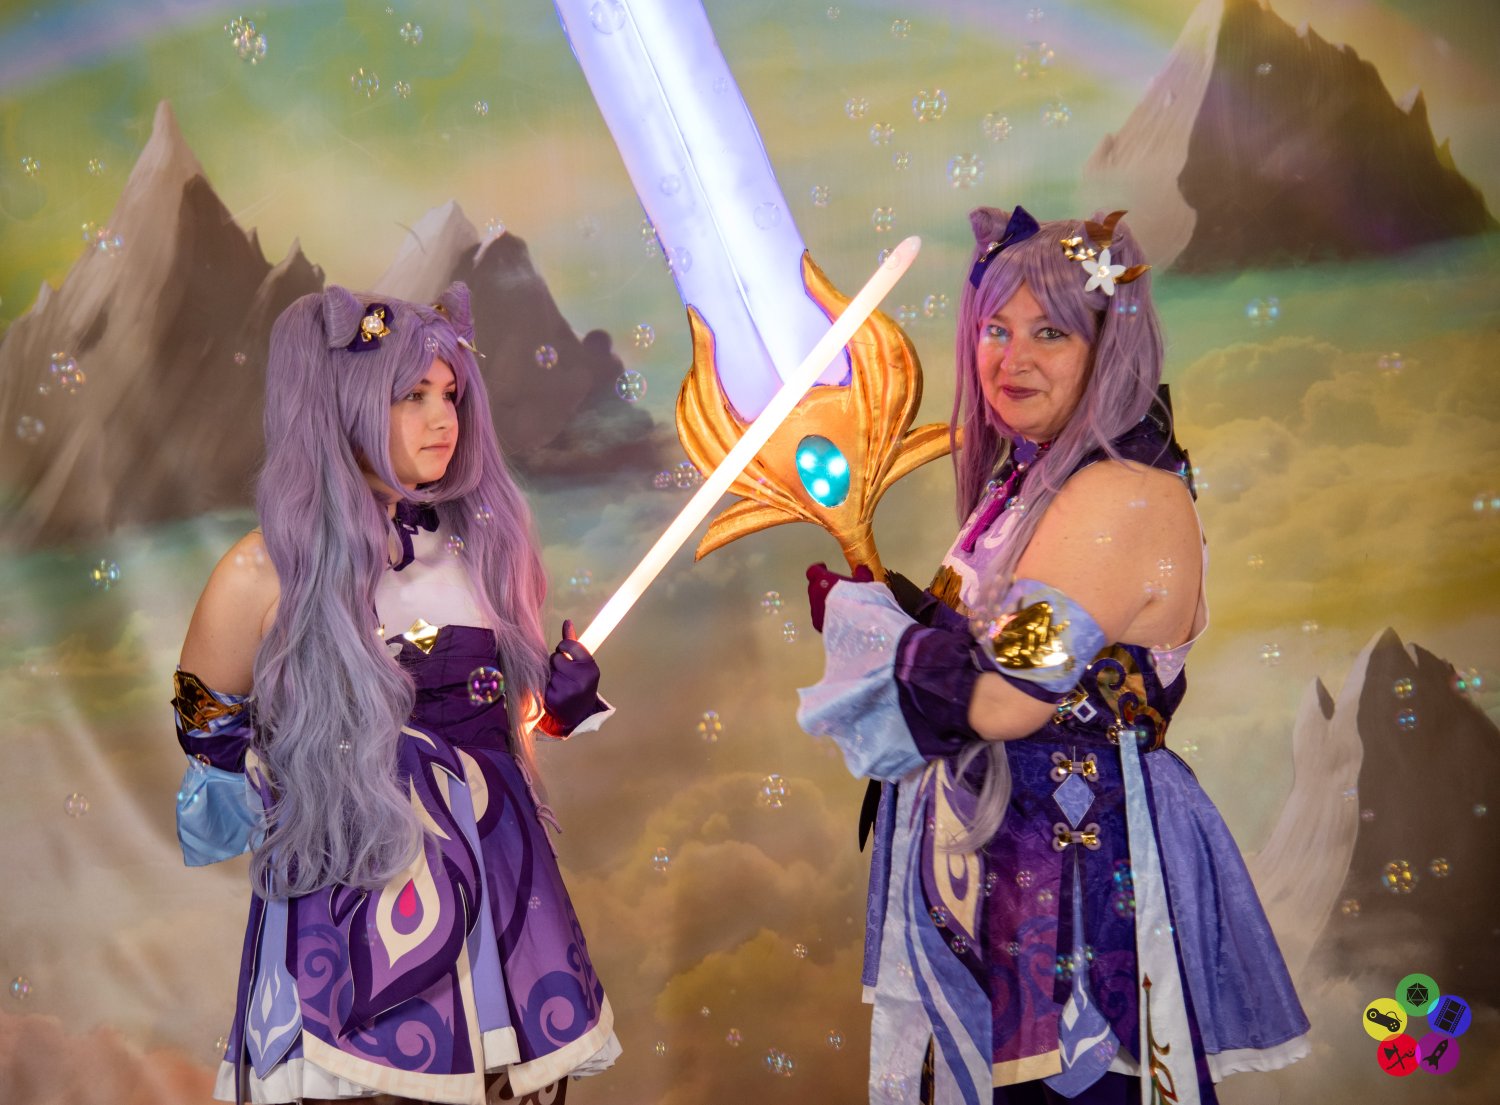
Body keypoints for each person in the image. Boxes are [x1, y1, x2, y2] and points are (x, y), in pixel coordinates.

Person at [798, 207, 1309, 1104]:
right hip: (1017, 863)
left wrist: (878, 634)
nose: (1011, 358)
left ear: (1109, 346)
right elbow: (1011, 642)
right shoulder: (1032, 475)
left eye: (1050, 332)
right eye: (995, 329)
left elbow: (1008, 697)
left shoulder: (1116, 494)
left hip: (1079, 883)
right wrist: (907, 615)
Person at [172, 283, 618, 1105]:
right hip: (347, 926)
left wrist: (563, 698)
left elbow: (514, 724)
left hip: (500, 915)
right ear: (342, 404)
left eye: (450, 394)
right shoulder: (261, 573)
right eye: (410, 395)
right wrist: (299, 773)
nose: (442, 419)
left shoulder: (482, 553)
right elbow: (213, 766)